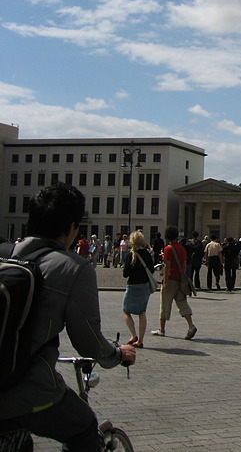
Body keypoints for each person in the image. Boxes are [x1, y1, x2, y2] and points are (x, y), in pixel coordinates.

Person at [0, 183, 136, 450]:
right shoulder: (73, 267)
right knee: (84, 428)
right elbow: (88, 341)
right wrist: (117, 355)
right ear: (73, 227)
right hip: (24, 389)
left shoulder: (4, 255)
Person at [152, 225, 197, 339]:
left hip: (171, 279)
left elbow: (167, 266)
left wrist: (165, 281)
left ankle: (162, 329)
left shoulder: (168, 249)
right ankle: (191, 326)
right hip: (180, 280)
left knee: (165, 304)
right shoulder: (182, 248)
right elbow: (184, 264)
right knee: (182, 303)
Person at [122, 229, 155, 348]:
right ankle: (140, 340)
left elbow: (125, 274)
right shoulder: (147, 253)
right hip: (144, 286)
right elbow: (151, 269)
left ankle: (133, 335)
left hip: (132, 285)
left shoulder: (131, 254)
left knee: (126, 310)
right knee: (142, 312)